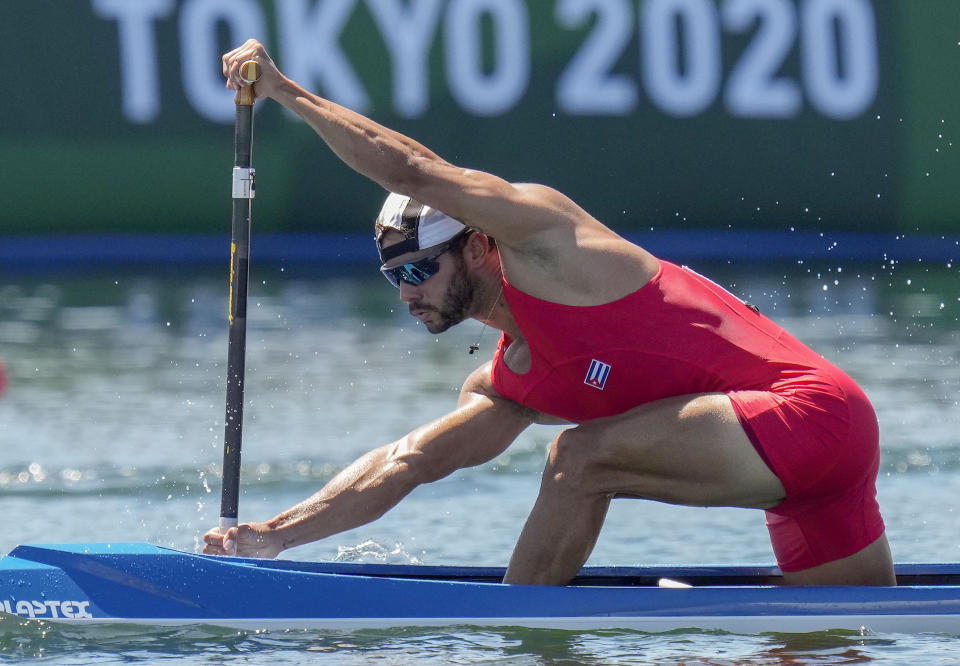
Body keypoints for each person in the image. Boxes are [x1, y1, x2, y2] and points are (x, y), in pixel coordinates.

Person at [204, 39, 896, 587]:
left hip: (810, 414)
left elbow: (413, 171)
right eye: (394, 277)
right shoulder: (509, 381)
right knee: (840, 642)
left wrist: (285, 91)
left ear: (478, 248)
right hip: (807, 482)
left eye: (419, 269)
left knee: (579, 456)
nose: (407, 292)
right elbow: (408, 463)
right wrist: (271, 536)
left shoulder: (548, 242)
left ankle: (518, 631)